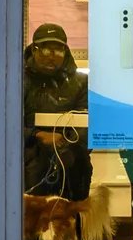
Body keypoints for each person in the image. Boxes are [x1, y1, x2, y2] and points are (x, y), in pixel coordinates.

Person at [22, 23, 91, 203]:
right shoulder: (18, 81)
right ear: (34, 49)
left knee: (69, 220)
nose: (51, 57)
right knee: (31, 220)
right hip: (27, 166)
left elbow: (87, 124)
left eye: (58, 51)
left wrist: (65, 142)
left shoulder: (81, 83)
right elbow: (4, 126)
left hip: (72, 167)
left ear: (66, 51)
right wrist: (37, 135)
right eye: (46, 50)